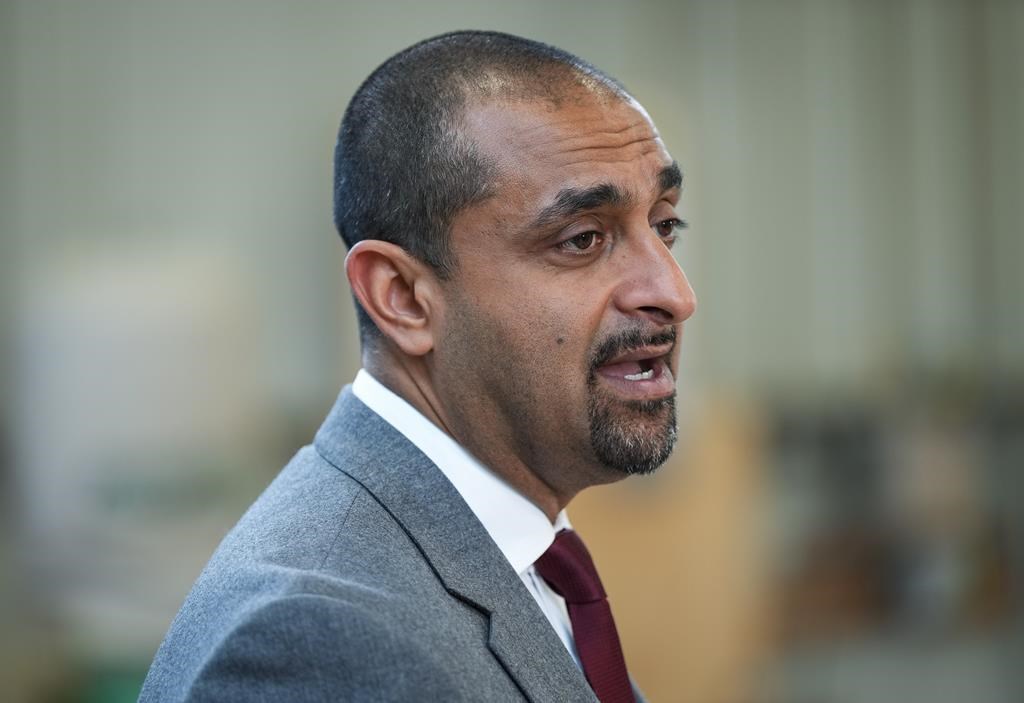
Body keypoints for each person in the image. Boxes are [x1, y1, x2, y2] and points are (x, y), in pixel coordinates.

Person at [139, 29, 696, 703]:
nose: (672, 293)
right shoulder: (320, 639)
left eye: (664, 225)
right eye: (582, 239)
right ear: (402, 298)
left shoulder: (518, 557)